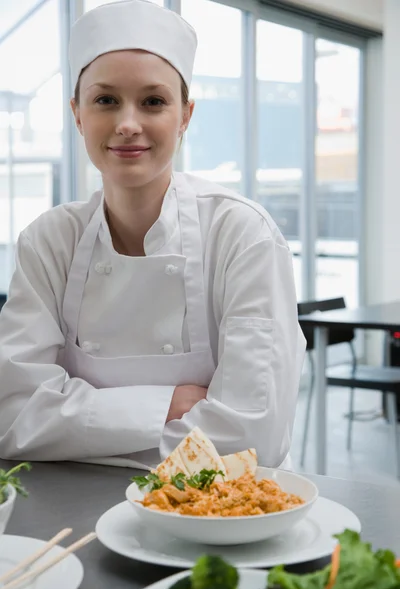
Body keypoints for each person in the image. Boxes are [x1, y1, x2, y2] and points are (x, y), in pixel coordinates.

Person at [0, 0, 305, 470]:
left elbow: (252, 439)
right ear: (77, 114)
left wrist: (76, 427)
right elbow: (13, 417)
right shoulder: (48, 242)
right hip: (68, 506)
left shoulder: (243, 236)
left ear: (184, 115)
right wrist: (167, 406)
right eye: (105, 100)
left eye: (153, 101)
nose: (127, 124)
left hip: (219, 516)